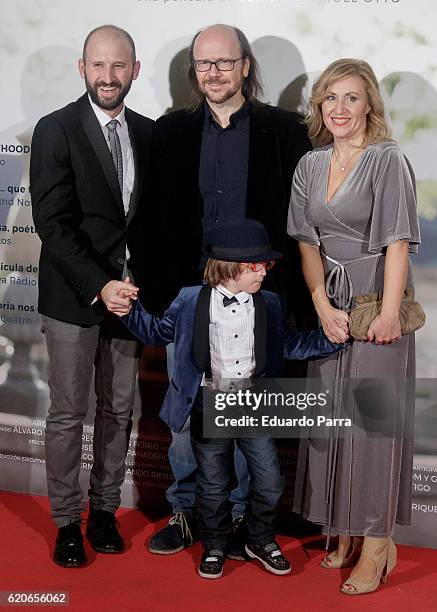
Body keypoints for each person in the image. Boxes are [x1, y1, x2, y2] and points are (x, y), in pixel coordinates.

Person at [149, 22, 313, 555]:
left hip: (259, 297)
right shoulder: (170, 132)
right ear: (194, 71)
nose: (213, 73)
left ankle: (240, 518)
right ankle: (189, 511)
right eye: (203, 64)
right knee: (186, 413)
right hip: (192, 298)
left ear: (245, 65)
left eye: (223, 62)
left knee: (244, 417)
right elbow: (153, 218)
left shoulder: (284, 131)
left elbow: (299, 219)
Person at [113, 219, 342, 579]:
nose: (265, 271)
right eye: (258, 265)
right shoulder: (190, 300)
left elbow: (288, 345)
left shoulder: (269, 303)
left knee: (269, 480)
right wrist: (129, 310)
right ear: (233, 267)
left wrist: (333, 337)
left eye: (267, 264)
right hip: (209, 404)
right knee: (213, 482)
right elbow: (158, 332)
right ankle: (215, 544)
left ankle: (260, 538)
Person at [287, 58, 421, 595]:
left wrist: (388, 313)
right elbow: (305, 241)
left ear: (370, 106)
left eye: (351, 98)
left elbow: (397, 242)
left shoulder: (388, 160)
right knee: (333, 421)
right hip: (332, 307)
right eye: (330, 98)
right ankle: (342, 527)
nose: (339, 108)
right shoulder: (308, 165)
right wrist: (321, 304)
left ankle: (377, 543)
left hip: (377, 302)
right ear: (319, 105)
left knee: (372, 429)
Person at [30, 25, 155, 567]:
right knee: (68, 413)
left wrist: (133, 286)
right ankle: (65, 523)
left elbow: (151, 224)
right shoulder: (55, 129)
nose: (109, 77)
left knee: (119, 410)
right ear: (82, 69)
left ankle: (103, 511)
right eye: (99, 66)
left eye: (119, 66)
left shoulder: (150, 134)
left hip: (129, 299)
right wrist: (98, 284)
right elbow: (52, 224)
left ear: (135, 70)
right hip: (74, 297)